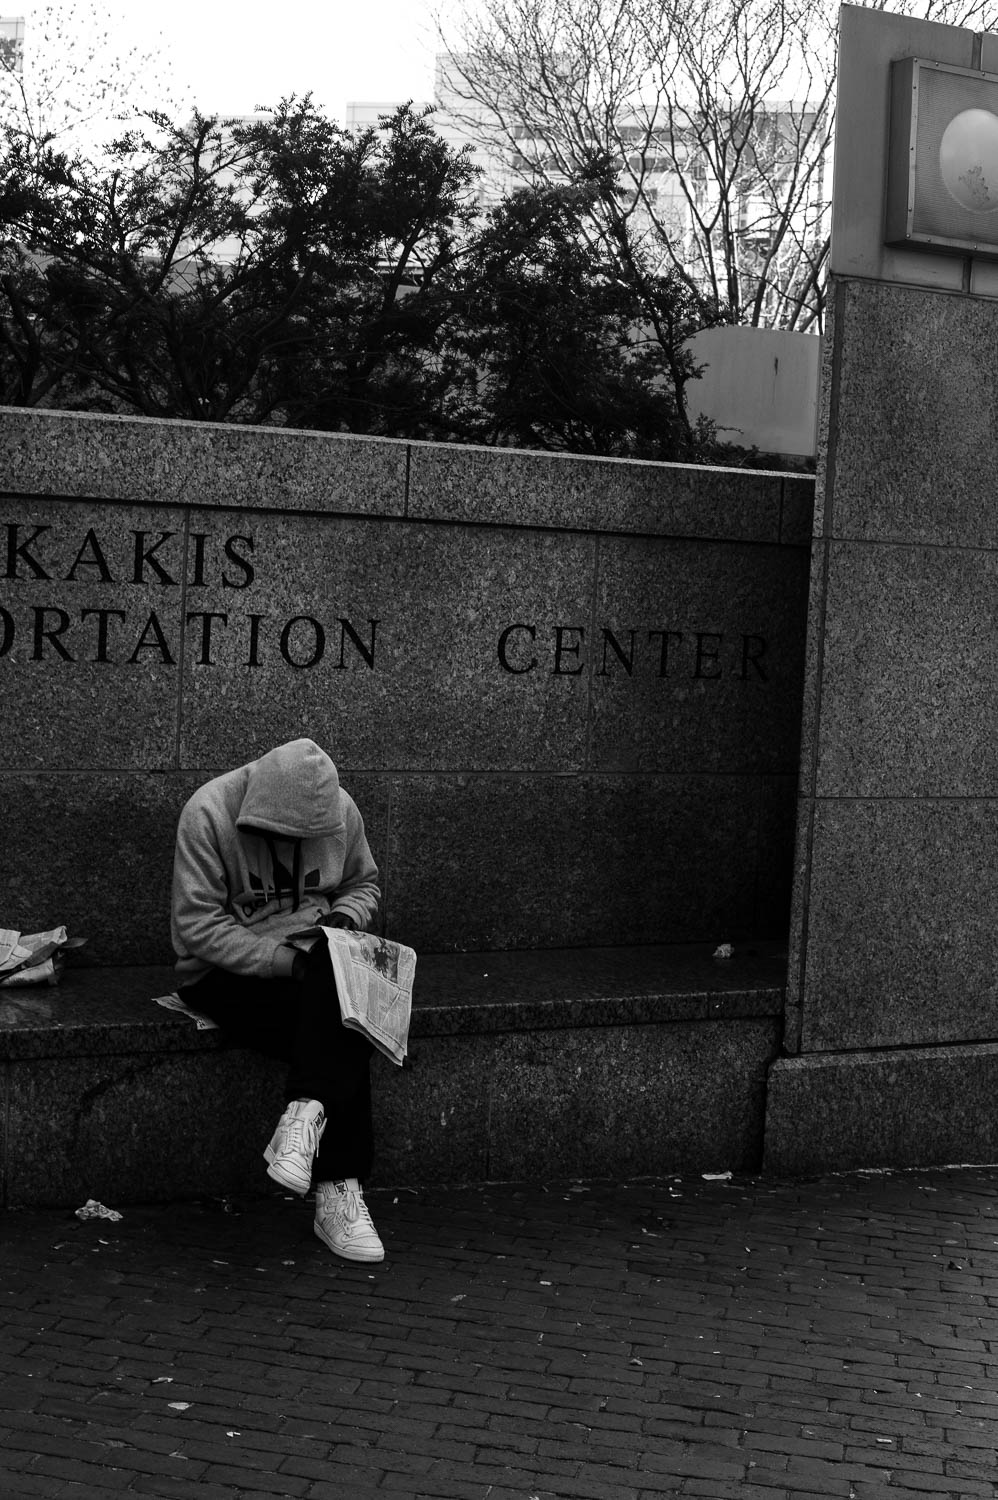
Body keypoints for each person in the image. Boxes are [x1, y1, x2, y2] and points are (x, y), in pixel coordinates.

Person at [170, 737, 385, 1263]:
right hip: (223, 972)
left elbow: (364, 885)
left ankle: (303, 1115)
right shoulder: (208, 811)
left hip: (316, 963)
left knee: (343, 1003)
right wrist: (283, 961)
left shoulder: (343, 810)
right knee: (343, 1026)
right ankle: (338, 1187)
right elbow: (197, 924)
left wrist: (344, 920)